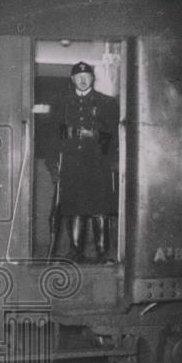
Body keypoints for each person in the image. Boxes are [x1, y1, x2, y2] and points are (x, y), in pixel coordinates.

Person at [50, 61, 118, 263]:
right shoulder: (62, 103)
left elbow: (114, 136)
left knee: (100, 209)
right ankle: (76, 252)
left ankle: (102, 254)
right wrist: (54, 164)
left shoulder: (107, 102)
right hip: (72, 165)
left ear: (93, 79)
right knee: (74, 208)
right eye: (78, 77)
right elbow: (55, 134)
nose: (82, 80)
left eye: (86, 76)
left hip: (98, 165)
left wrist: (95, 134)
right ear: (72, 80)